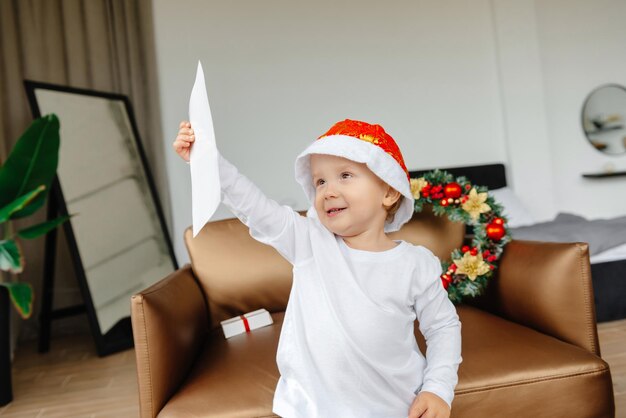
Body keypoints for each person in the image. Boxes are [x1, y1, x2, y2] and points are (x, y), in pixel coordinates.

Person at [173, 118, 462, 418]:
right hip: (312, 409)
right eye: (320, 182)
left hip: (395, 407)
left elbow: (443, 327)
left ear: (388, 192)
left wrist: (438, 388)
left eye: (345, 175)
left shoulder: (415, 264)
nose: (328, 191)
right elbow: (254, 207)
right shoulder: (310, 243)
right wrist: (207, 160)